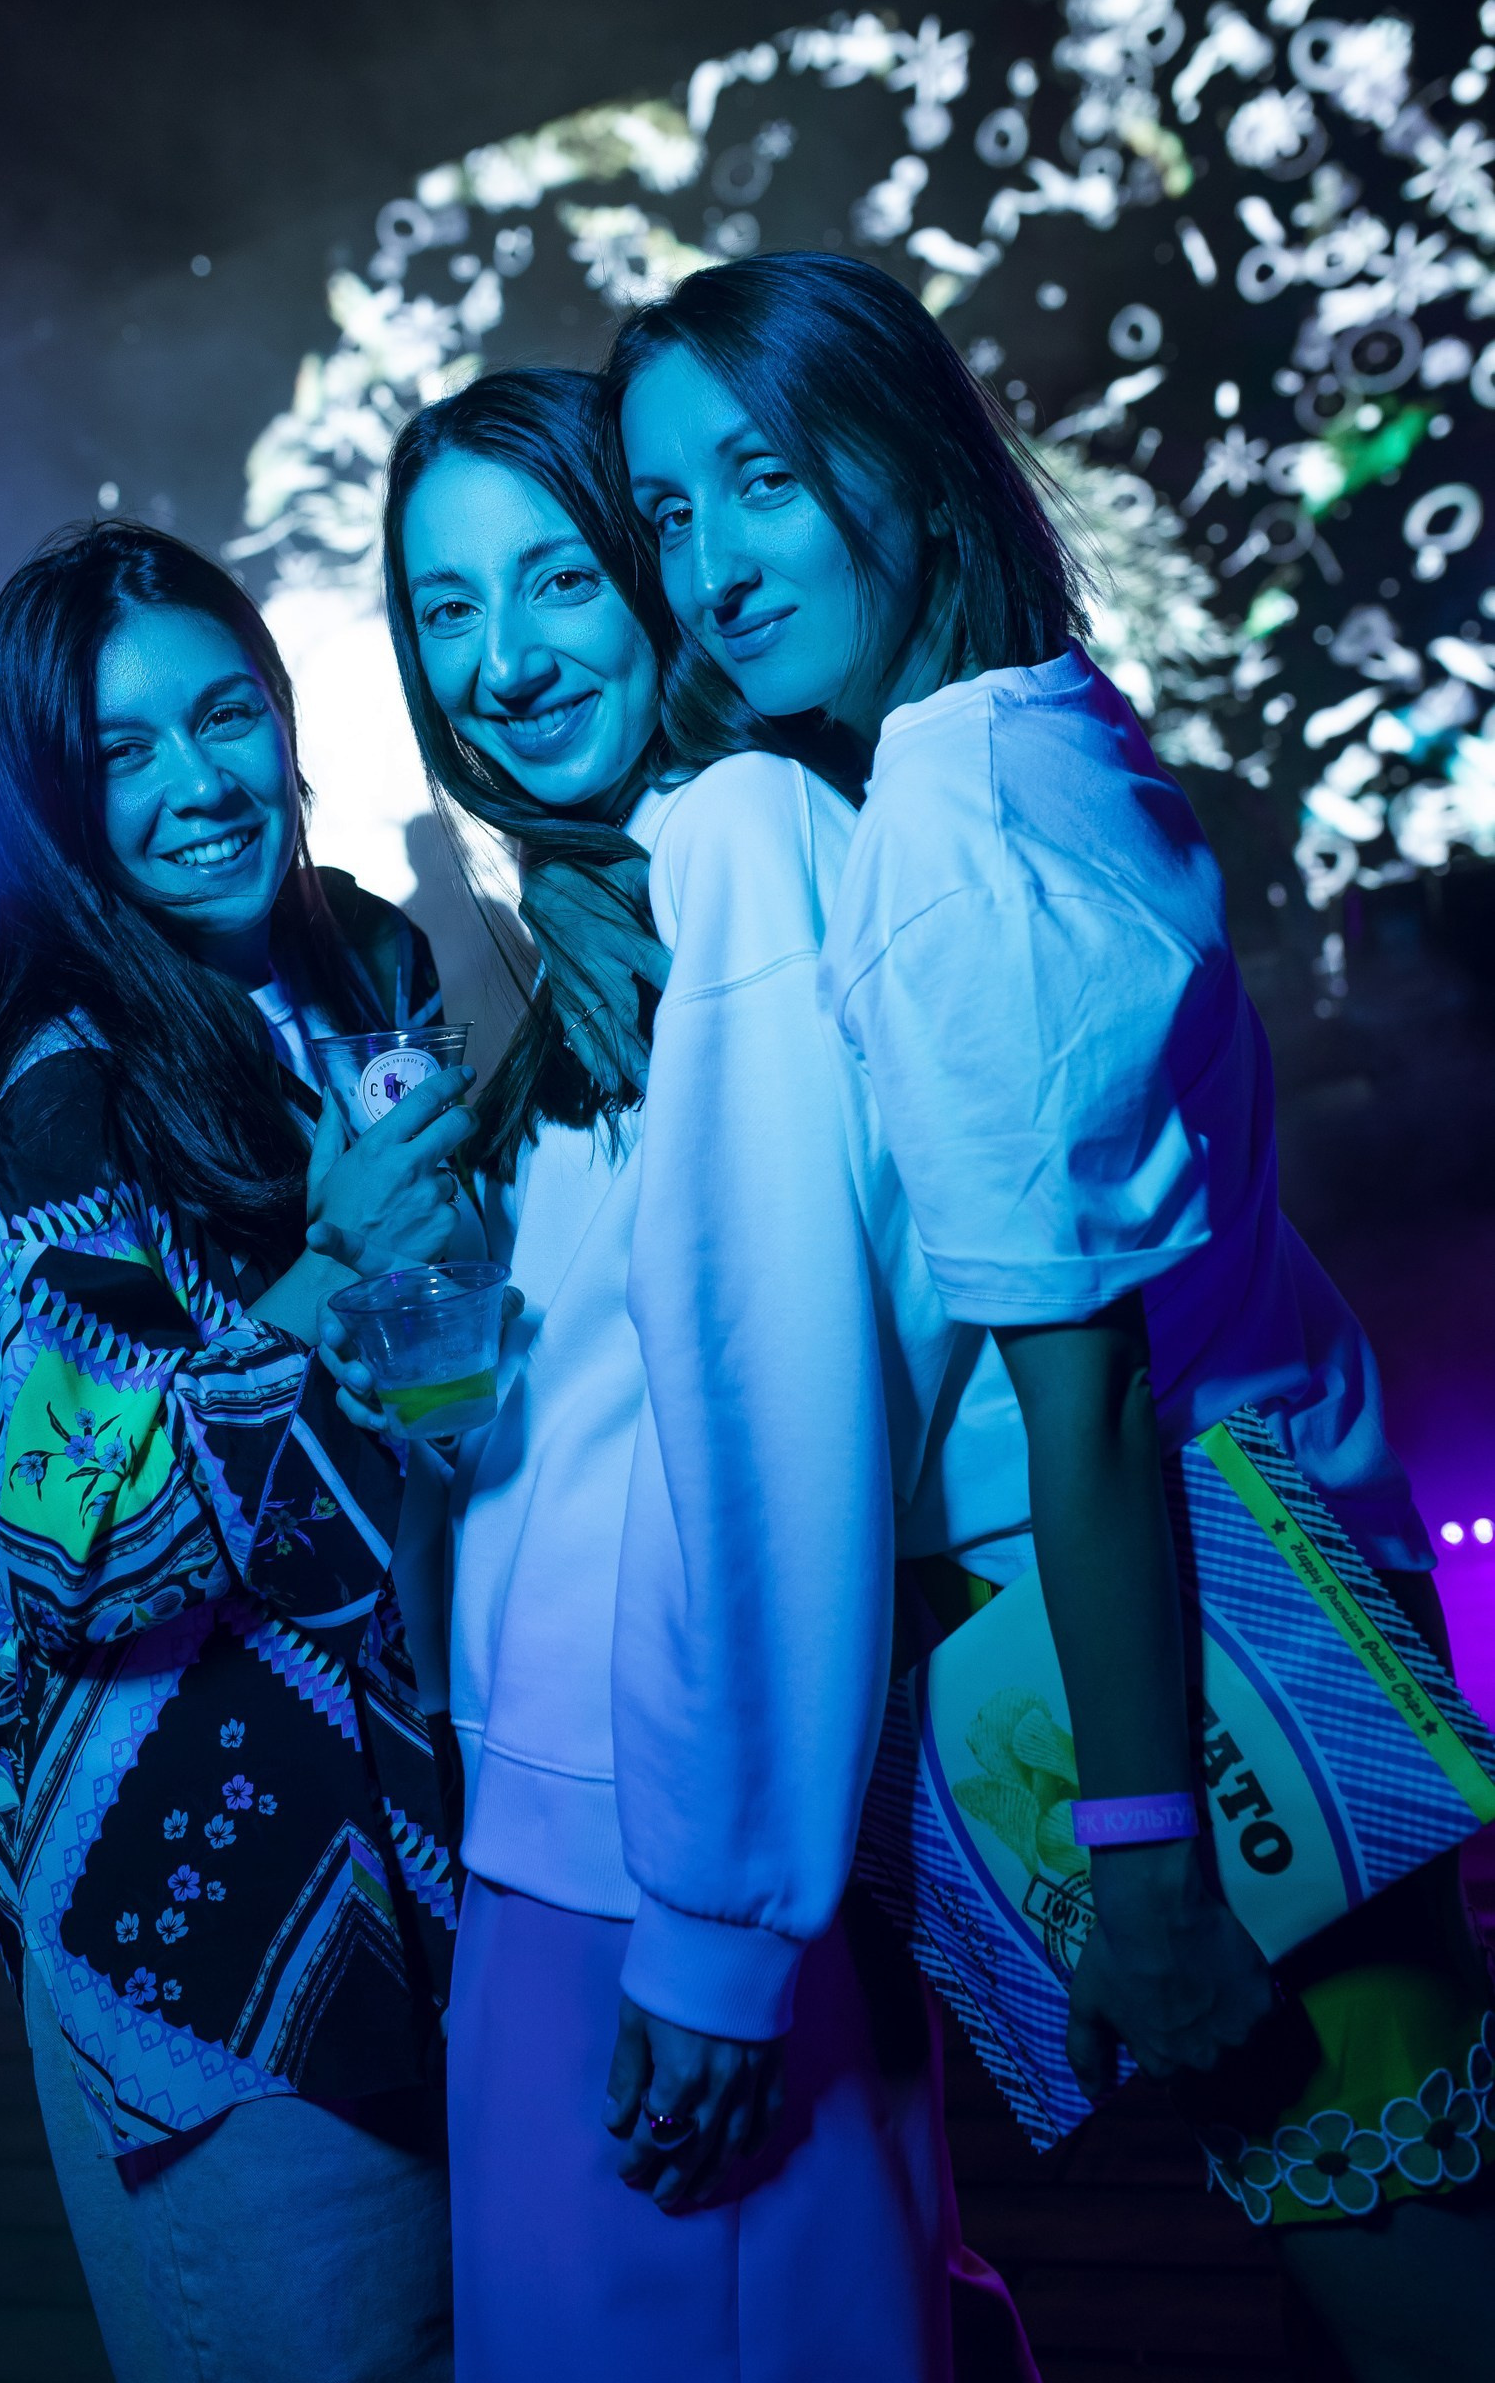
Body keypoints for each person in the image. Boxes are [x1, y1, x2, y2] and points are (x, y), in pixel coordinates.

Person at [606, 250, 1495, 2383]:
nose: (711, 567)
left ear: (909, 457)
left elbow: (1081, 1407)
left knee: (1418, 2288)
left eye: (762, 474)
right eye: (667, 510)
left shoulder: (941, 839)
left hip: (1189, 1678)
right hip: (1285, 1576)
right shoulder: (1038, 723)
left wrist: (1150, 1864)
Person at [316, 368, 1040, 2382]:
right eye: (445, 606)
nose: (502, 658)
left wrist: (717, 1940)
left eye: (558, 577)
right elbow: (621, 1400)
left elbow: (777, 1417)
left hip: (660, 1854)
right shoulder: (612, 912)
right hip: (573, 1830)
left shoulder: (737, 837)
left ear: (657, 581)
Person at [0, 519, 478, 2383]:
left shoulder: (369, 963)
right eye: (122, 752)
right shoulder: (54, 1110)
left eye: (225, 715)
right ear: (48, 805)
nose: (202, 785)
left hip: (453, 1857)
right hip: (217, 1924)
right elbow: (70, 1551)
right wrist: (326, 1277)